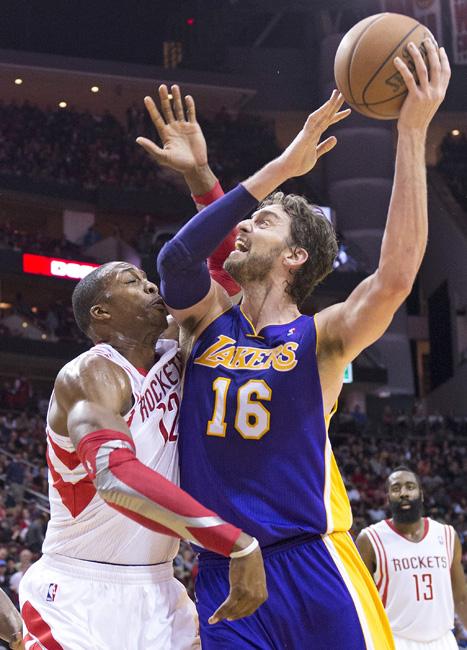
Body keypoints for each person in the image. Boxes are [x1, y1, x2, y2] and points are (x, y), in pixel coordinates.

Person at [138, 39, 451, 648]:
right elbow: (177, 257)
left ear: (295, 256)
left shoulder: (322, 336)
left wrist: (411, 131)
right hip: (224, 571)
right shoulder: (205, 319)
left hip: (314, 566)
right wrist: (263, 170)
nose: (245, 224)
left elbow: (394, 279)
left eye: (263, 222)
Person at [18, 89, 267, 650]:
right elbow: (115, 476)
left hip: (159, 589)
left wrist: (200, 175)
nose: (152, 286)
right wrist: (234, 541)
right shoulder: (89, 375)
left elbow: (229, 270)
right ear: (101, 314)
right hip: (79, 590)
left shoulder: (177, 347)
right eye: (132, 282)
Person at [356, 467, 467, 650]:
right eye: (396, 488)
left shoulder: (447, 535)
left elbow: (461, 597)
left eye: (410, 487)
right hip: (395, 640)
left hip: (444, 641)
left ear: (421, 494)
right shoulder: (370, 539)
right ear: (388, 497)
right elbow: (362, 602)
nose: (404, 493)